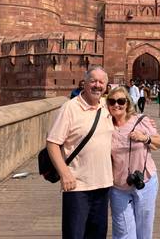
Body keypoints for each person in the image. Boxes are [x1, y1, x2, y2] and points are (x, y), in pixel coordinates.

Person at [47, 66, 113, 239]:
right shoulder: (70, 108)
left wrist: (145, 128)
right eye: (93, 81)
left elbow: (126, 116)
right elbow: (52, 143)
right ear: (84, 83)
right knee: (74, 235)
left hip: (103, 185)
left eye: (101, 82)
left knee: (98, 235)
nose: (97, 85)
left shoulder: (107, 107)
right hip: (77, 186)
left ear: (106, 86)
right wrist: (65, 173)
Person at [106, 86, 160, 239]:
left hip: (145, 182)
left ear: (127, 103)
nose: (116, 105)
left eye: (121, 101)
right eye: (112, 101)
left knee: (144, 230)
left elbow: (159, 143)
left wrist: (145, 138)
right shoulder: (104, 125)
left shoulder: (141, 120)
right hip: (118, 186)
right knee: (124, 232)